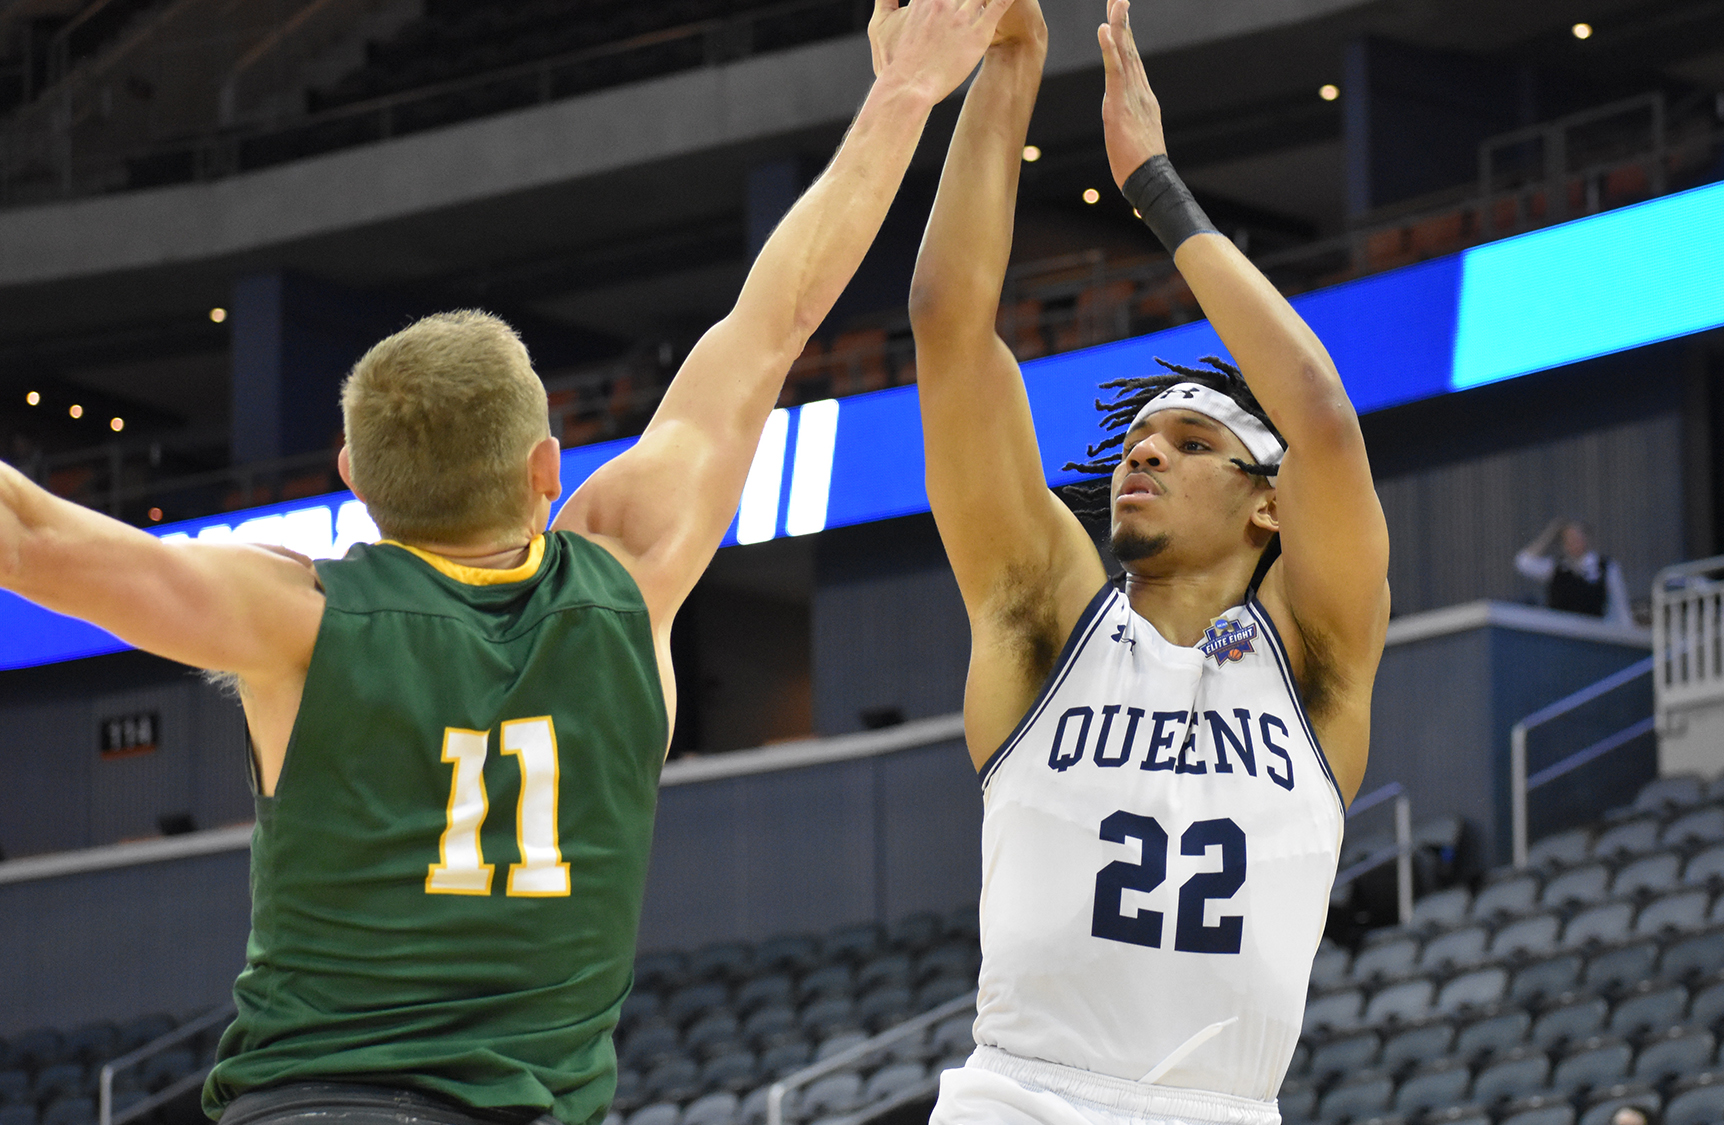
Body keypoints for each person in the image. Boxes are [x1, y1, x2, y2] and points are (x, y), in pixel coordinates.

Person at [0, 5, 1016, 1125]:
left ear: (351, 474)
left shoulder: (299, 616)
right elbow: (775, 318)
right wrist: (902, 96)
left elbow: (34, 539)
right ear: (547, 465)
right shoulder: (628, 577)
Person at [908, 1, 1389, 1121]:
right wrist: (1009, 64)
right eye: (1134, 443)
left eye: (1191, 443)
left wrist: (1155, 189)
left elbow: (1317, 411)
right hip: (1018, 1097)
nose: (1146, 455)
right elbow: (946, 320)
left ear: (1269, 506)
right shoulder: (1044, 617)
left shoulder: (1316, 660)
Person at [1514, 518, 1634, 628]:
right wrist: (1549, 535)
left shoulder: (1606, 567)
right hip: (1560, 633)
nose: (1573, 543)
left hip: (1592, 634)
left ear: (1587, 538)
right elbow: (1523, 562)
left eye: (1577, 538)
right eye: (1568, 539)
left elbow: (1620, 607)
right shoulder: (1556, 568)